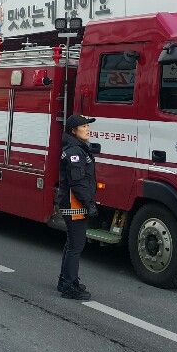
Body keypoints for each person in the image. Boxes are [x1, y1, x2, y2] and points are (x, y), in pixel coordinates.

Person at [56, 114, 98, 301]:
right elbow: (77, 182)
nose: (87, 129)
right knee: (76, 246)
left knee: (71, 244)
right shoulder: (75, 151)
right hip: (74, 204)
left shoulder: (78, 148)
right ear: (74, 131)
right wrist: (89, 204)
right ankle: (69, 287)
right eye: (83, 126)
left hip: (74, 203)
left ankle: (65, 281)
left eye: (88, 126)